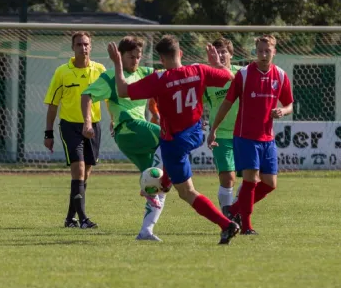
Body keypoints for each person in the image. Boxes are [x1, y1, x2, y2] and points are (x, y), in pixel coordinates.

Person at [107, 35, 240, 245]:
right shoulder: (198, 70)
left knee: (187, 193)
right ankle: (163, 183)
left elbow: (122, 90)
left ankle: (226, 224)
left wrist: (117, 64)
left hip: (174, 142)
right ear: (180, 53)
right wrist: (215, 63)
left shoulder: (159, 79)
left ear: (161, 58)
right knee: (167, 173)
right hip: (195, 134)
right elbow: (228, 76)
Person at [81, 36, 172, 241]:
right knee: (171, 137)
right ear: (120, 56)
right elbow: (86, 95)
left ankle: (146, 231)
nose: (135, 61)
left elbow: (169, 78)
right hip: (128, 129)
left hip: (135, 138)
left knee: (158, 184)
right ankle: (156, 183)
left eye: (138, 57)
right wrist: (87, 123)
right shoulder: (111, 77)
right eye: (131, 57)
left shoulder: (144, 73)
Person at [207, 35, 294, 235]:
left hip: (268, 138)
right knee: (250, 181)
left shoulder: (280, 75)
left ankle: (234, 209)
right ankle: (246, 226)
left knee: (270, 184)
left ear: (274, 52)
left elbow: (289, 104)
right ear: (255, 52)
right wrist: (214, 129)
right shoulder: (245, 74)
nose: (263, 55)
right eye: (260, 51)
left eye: (267, 51)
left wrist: (283, 111)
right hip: (245, 137)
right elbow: (227, 103)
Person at [44, 31, 106, 229]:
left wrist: (115, 119)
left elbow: (110, 98)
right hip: (70, 126)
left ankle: (70, 218)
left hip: (94, 126)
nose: (83, 48)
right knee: (78, 169)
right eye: (79, 44)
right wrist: (48, 133)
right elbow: (53, 104)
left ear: (91, 46)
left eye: (86, 44)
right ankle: (84, 219)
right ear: (73, 48)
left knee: (85, 174)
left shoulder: (100, 70)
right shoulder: (62, 72)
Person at [202, 38, 242, 218]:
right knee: (228, 178)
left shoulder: (242, 73)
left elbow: (238, 84)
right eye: (216, 52)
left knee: (255, 179)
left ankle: (236, 206)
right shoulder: (207, 79)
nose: (220, 55)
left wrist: (219, 67)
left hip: (245, 133)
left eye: (224, 51)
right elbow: (198, 103)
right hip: (221, 134)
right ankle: (228, 218)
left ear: (231, 54)